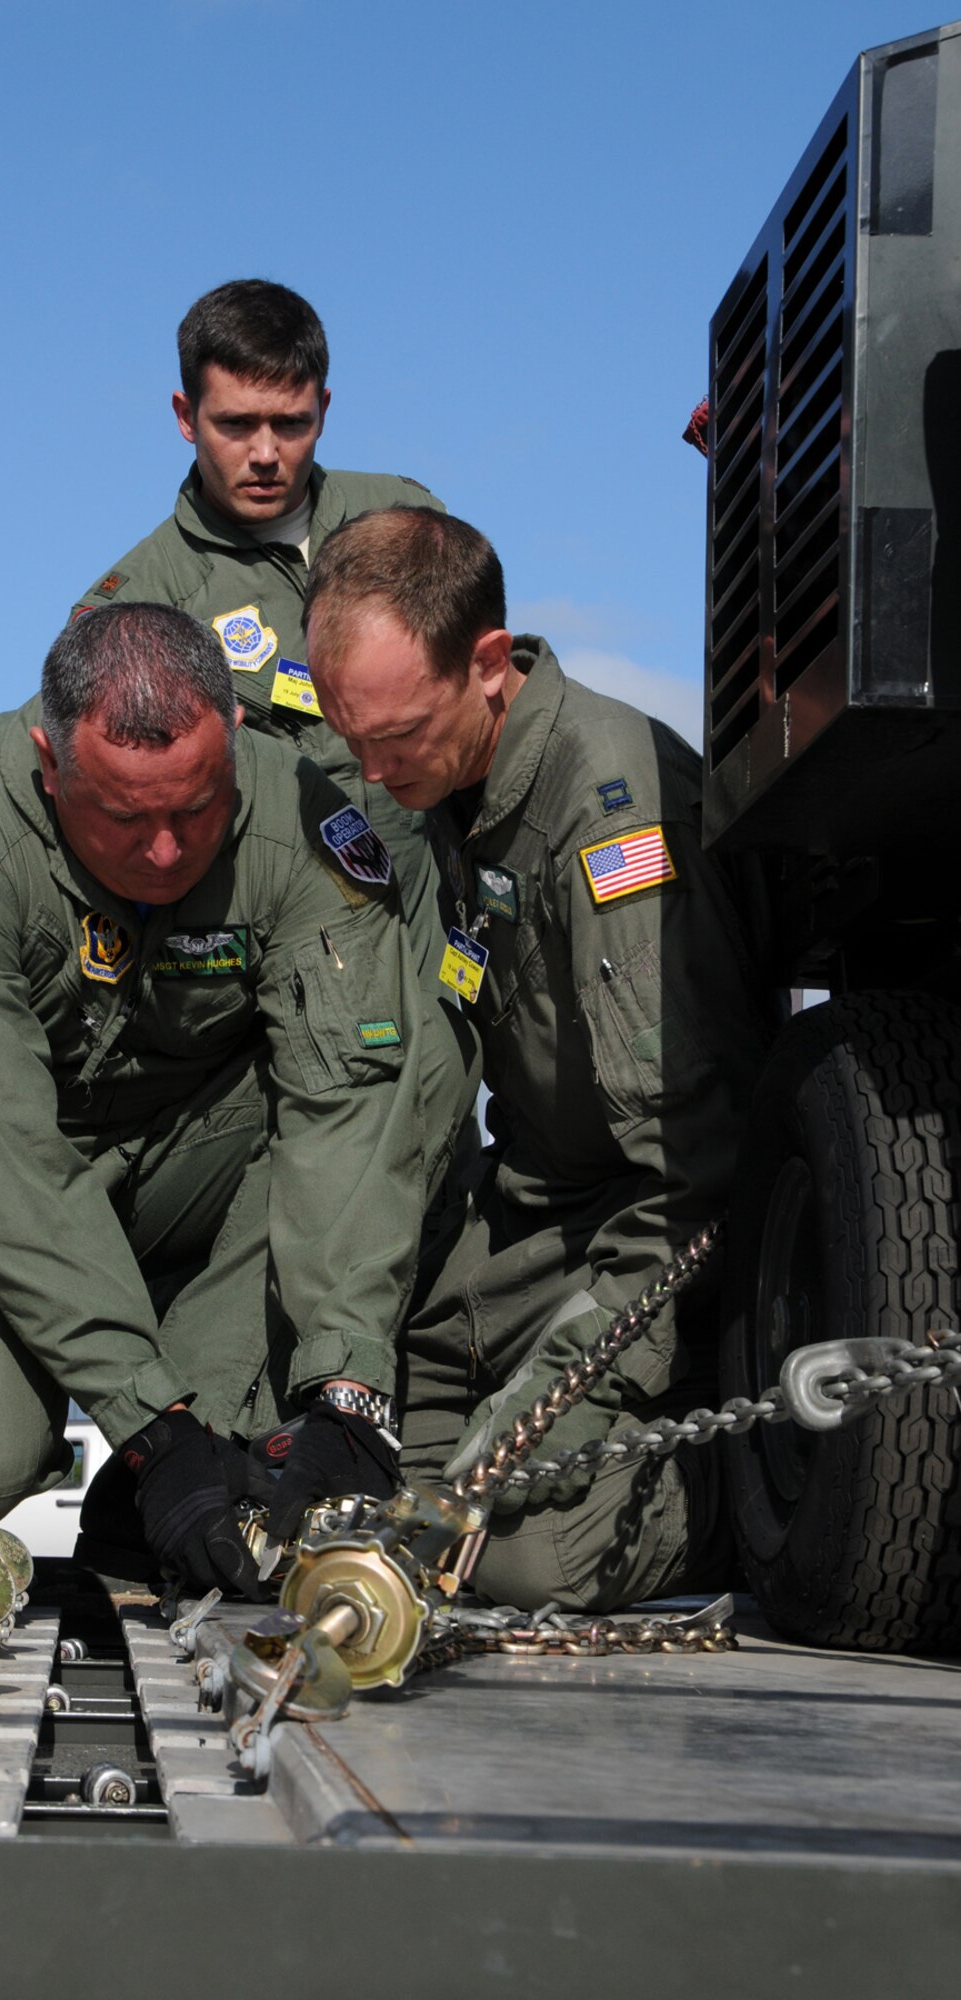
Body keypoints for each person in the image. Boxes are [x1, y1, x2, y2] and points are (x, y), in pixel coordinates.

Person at [0, 602, 431, 1597]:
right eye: (127, 818)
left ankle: (156, 1497)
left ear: (230, 743)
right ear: (51, 766)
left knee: (402, 1070)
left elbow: (343, 1108)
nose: (170, 853)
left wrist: (345, 1387)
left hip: (180, 1143)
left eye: (198, 807)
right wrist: (150, 1423)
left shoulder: (303, 823)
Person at [304, 507, 782, 1611]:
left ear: (485, 664)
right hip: (532, 1222)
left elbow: (689, 1182)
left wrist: (532, 1413)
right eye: (354, 739)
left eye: (399, 738)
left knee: (511, 1553)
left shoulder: (604, 815)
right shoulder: (450, 779)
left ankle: (751, 1494)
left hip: (658, 1240)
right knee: (375, 1464)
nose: (374, 774)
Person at [70, 281, 480, 1206]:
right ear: (185, 416)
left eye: (290, 424)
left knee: (444, 1203)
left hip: (438, 965)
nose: (264, 455)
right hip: (285, 994)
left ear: (324, 409)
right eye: (236, 424)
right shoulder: (140, 603)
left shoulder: (406, 521)